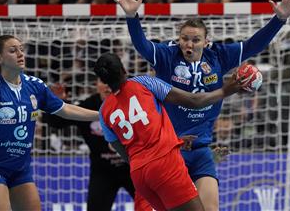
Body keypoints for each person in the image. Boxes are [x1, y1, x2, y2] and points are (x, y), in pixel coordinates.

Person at [111, 0, 290, 210]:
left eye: (195, 39)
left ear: (206, 42)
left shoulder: (218, 56)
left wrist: (278, 20)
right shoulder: (167, 56)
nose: (189, 44)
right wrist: (132, 17)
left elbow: (252, 46)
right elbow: (142, 45)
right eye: (184, 39)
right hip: (168, 151)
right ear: (178, 39)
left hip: (201, 150)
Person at [94, 52, 242, 211]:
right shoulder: (142, 82)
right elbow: (194, 100)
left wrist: (172, 142)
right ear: (124, 69)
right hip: (164, 163)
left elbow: (126, 154)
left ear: (103, 80)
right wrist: (227, 90)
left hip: (139, 174)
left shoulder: (103, 112)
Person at [0, 35, 100, 211]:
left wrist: (102, 115)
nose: (20, 54)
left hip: (21, 169)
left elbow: (66, 110)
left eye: (21, 49)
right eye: (13, 51)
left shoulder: (35, 86)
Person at [44, 79, 152, 211]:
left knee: (153, 205)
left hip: (132, 167)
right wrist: (58, 102)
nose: (107, 85)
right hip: (102, 171)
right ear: (96, 84)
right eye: (102, 81)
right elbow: (56, 123)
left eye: (109, 80)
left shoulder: (132, 103)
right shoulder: (87, 105)